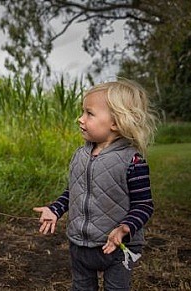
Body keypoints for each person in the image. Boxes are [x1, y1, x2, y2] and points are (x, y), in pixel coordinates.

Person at [33, 78, 158, 290]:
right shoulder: (80, 155)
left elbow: (144, 205)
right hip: (80, 245)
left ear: (116, 122)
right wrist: (55, 210)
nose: (80, 119)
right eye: (83, 112)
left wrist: (124, 228)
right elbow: (73, 192)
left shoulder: (132, 161)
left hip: (117, 246)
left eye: (89, 113)